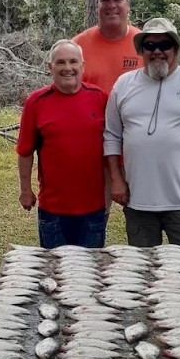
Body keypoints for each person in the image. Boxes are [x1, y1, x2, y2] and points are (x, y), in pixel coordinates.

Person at [103, 16, 180, 263]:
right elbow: (111, 135)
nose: (158, 51)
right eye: (150, 46)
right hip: (138, 202)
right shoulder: (123, 85)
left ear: (176, 49)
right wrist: (116, 180)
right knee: (142, 276)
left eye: (165, 45)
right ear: (141, 50)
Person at [16, 39, 108, 248]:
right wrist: (25, 189)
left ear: (83, 66)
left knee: (90, 273)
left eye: (73, 62)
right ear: (50, 68)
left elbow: (113, 147)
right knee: (54, 273)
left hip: (93, 209)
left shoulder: (100, 98)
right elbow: (25, 151)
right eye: (60, 63)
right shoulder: (36, 102)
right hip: (53, 210)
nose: (68, 68)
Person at [72, 0, 140, 95]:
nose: (111, 5)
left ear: (128, 5)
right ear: (97, 6)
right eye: (105, 0)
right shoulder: (76, 46)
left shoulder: (145, 43)